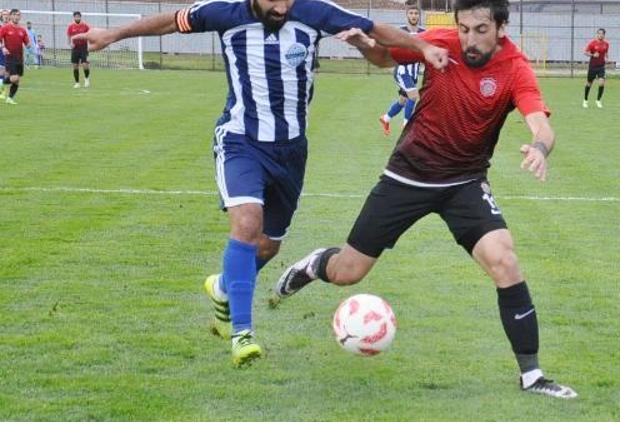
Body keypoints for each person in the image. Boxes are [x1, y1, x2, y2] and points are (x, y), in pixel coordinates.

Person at [74, 0, 448, 367]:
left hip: (291, 150)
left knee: (269, 245)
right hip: (240, 140)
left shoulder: (313, 11)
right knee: (247, 223)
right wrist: (112, 34)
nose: (282, 7)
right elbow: (170, 21)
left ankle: (224, 287)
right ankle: (242, 334)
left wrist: (423, 45)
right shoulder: (223, 13)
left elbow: (374, 29)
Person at [275, 0, 577, 399]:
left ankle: (532, 376)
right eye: (464, 28)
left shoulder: (515, 68)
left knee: (505, 260)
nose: (469, 39)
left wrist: (539, 148)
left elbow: (541, 124)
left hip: (464, 182)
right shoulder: (440, 41)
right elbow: (385, 57)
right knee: (349, 271)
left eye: (481, 30)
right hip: (407, 175)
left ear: (502, 27)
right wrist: (364, 45)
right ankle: (316, 264)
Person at [378, 3, 425, 136]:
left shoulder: (423, 32)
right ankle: (407, 126)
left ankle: (386, 118)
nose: (414, 16)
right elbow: (389, 48)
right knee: (414, 95)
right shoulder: (400, 31)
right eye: (411, 13)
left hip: (414, 72)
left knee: (403, 100)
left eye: (416, 13)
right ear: (407, 15)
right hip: (402, 72)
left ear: (419, 16)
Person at [0, 9, 30, 105]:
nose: (17, 17)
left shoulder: (22, 30)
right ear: (11, 16)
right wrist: (3, 47)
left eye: (18, 15)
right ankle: (1, 83)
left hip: (19, 58)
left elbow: (26, 43)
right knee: (14, 78)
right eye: (15, 15)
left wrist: (29, 45)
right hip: (10, 57)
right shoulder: (5, 28)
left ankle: (10, 98)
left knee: (17, 81)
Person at [582, 27, 608, 109]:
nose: (600, 35)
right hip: (593, 66)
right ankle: (585, 100)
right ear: (597, 34)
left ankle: (598, 100)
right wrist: (592, 55)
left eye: (602, 34)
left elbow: (606, 53)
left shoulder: (606, 44)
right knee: (589, 83)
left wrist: (607, 58)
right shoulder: (592, 43)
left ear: (604, 35)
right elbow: (585, 52)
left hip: (601, 66)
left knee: (601, 82)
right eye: (599, 33)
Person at [67, 12, 91, 88]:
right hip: (75, 48)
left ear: (80, 17)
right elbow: (69, 36)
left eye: (78, 16)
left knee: (84, 64)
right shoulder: (71, 26)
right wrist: (70, 43)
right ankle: (77, 83)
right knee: (75, 65)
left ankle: (86, 79)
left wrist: (90, 44)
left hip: (84, 47)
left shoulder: (85, 26)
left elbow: (90, 34)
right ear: (74, 17)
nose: (77, 18)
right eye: (75, 17)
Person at [0, 9, 10, 97]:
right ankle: (2, 91)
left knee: (7, 72)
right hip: (2, 50)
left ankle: (2, 90)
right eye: (3, 14)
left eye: (7, 14)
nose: (5, 16)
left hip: (10, 51)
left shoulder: (11, 27)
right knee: (2, 70)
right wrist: (2, 47)